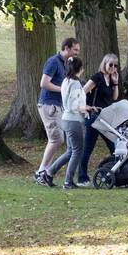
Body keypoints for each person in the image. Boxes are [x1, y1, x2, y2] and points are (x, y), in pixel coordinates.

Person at [34, 36, 80, 186]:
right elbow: (44, 83)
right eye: (75, 50)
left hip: (58, 106)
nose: (77, 53)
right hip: (48, 105)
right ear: (66, 48)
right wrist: (63, 90)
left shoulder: (66, 64)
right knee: (56, 139)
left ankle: (44, 171)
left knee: (60, 140)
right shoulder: (53, 61)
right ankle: (41, 172)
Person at [45, 57, 92, 189]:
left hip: (66, 119)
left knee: (70, 151)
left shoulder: (66, 81)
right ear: (79, 69)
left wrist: (84, 106)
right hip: (74, 120)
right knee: (78, 151)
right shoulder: (75, 83)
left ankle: (49, 173)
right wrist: (86, 108)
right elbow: (74, 105)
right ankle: (68, 181)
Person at [78, 53, 120, 184]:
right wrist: (87, 107)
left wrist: (116, 82)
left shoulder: (110, 79)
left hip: (106, 118)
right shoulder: (97, 77)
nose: (113, 67)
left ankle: (112, 174)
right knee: (88, 148)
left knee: (114, 147)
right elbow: (82, 92)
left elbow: (114, 98)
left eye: (115, 65)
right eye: (111, 64)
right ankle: (82, 177)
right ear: (105, 64)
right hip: (94, 118)